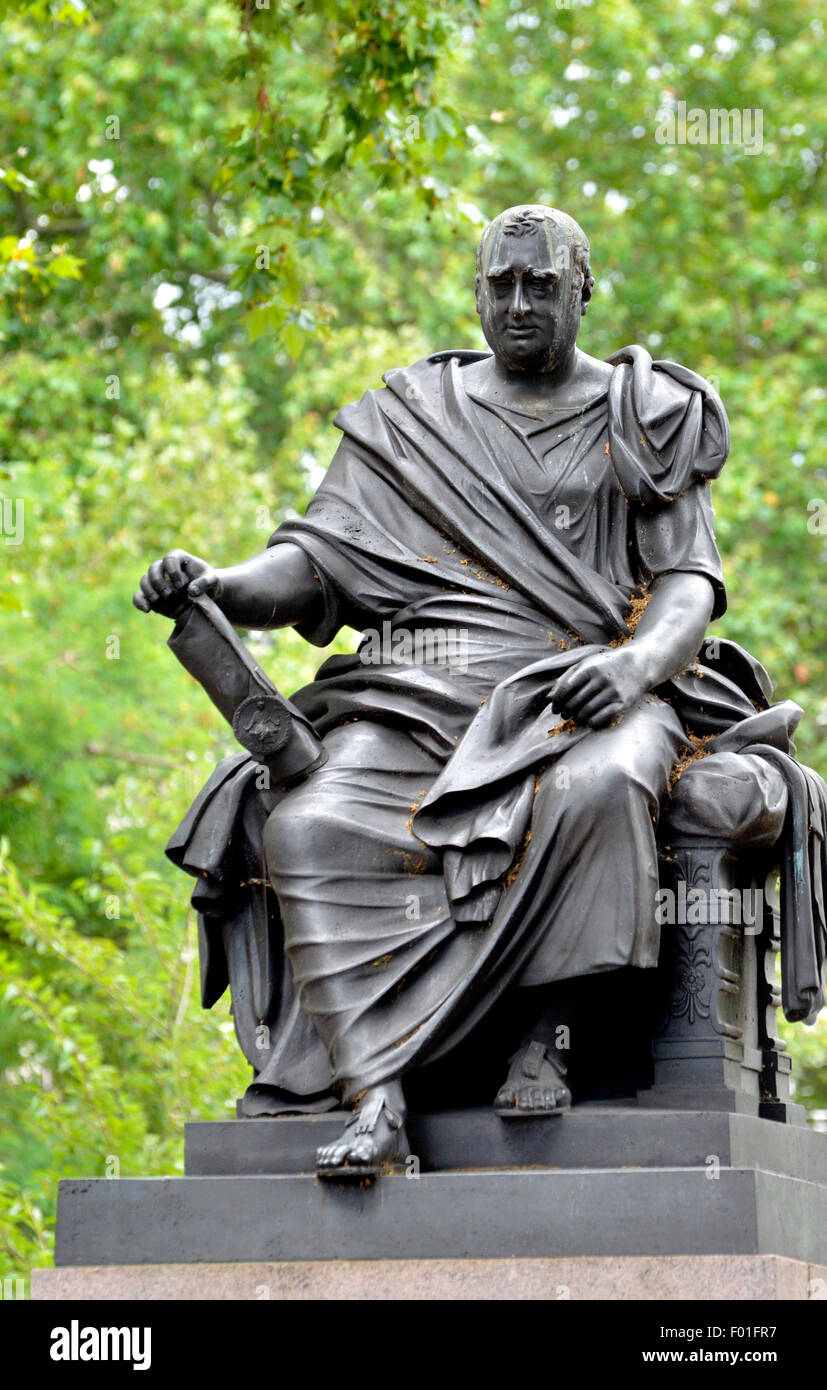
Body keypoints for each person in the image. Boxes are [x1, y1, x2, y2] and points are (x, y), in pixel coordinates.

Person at [135, 205, 822, 1175]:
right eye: (499, 284)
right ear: (474, 291)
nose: (517, 302)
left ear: (582, 290)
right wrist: (217, 585)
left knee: (601, 785)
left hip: (580, 686)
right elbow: (311, 564)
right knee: (309, 824)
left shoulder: (643, 411)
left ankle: (544, 1032)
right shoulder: (410, 416)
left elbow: (686, 585)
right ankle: (375, 1095)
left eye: (540, 284)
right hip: (416, 691)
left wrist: (628, 667)